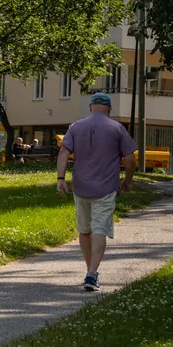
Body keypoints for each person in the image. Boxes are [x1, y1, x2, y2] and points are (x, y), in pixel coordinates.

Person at [57, 93, 137, 291]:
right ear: (110, 109)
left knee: (84, 230)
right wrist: (127, 181)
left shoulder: (75, 127)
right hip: (106, 188)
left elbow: (63, 153)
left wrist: (60, 179)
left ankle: (90, 271)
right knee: (100, 229)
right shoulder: (117, 128)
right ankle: (92, 274)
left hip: (81, 186)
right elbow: (130, 160)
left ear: (91, 107)